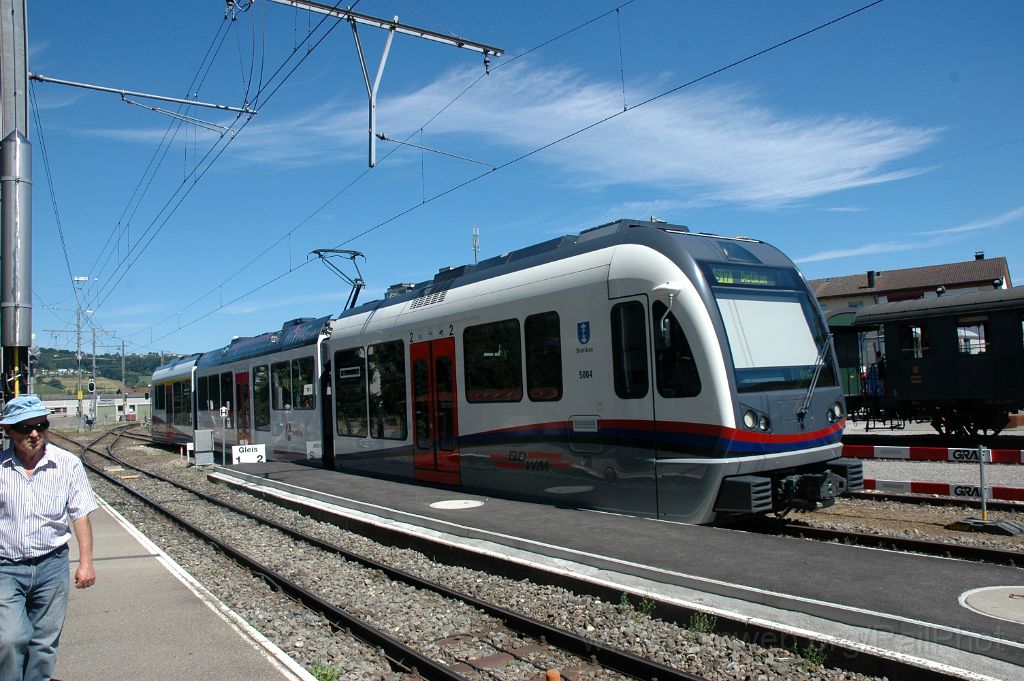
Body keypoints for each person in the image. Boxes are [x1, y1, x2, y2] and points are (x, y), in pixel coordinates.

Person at [0, 394, 98, 681]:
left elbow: (80, 514)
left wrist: (86, 563)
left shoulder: (67, 464)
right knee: (9, 638)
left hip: (51, 565)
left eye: (40, 426)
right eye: (25, 427)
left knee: (43, 643)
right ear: (8, 431)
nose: (34, 434)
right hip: (6, 567)